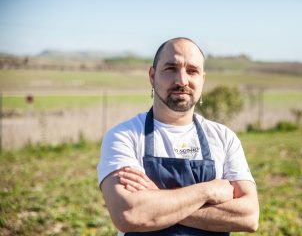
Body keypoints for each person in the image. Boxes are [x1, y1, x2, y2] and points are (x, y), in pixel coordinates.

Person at [97, 37, 259, 236]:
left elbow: (249, 216)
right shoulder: (124, 137)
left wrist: (156, 201)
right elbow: (130, 214)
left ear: (202, 80)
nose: (182, 80)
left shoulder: (224, 138)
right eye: (171, 68)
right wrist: (208, 191)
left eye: (192, 71)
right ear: (152, 76)